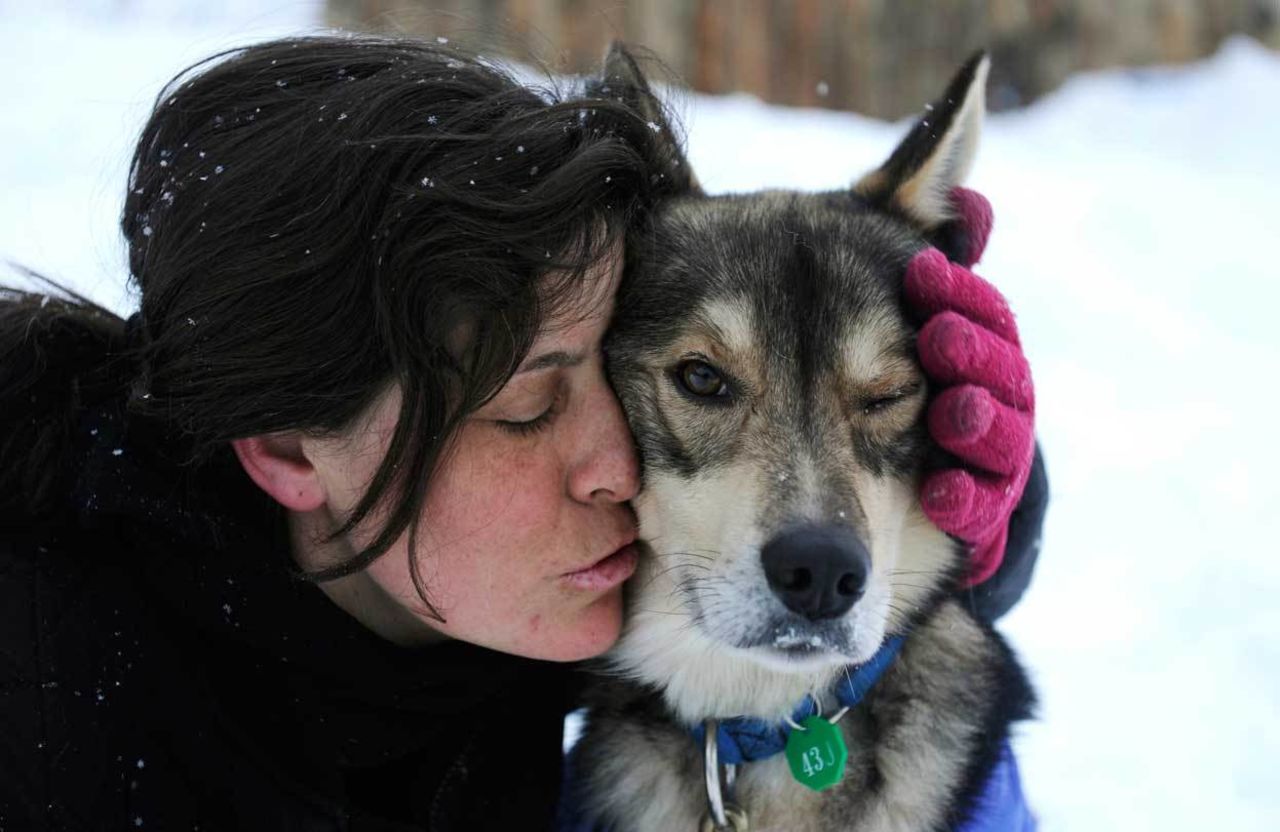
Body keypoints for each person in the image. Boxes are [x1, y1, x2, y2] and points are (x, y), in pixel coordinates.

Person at [0, 35, 1044, 831]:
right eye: (527, 407)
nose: (612, 465)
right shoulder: (75, 731)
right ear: (286, 450)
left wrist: (970, 494)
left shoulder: (495, 605)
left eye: (604, 376)